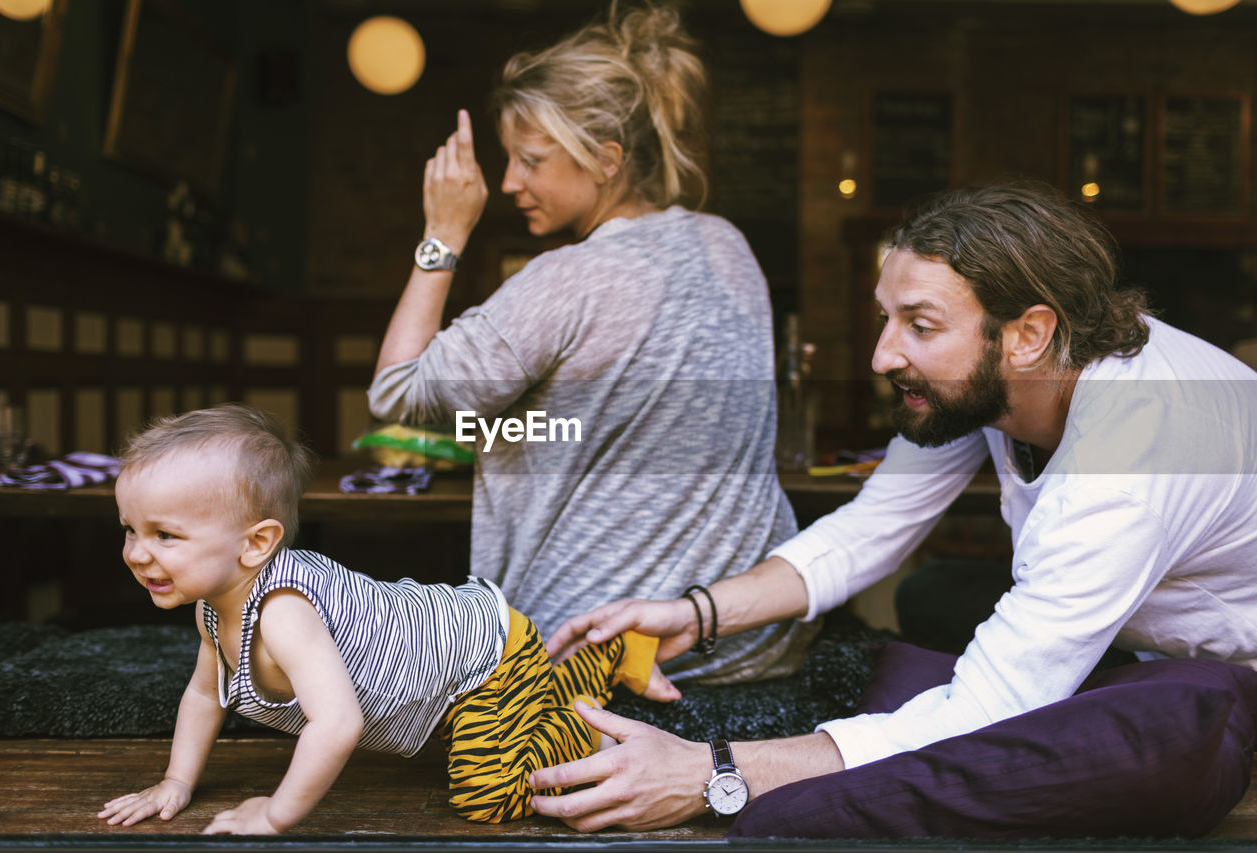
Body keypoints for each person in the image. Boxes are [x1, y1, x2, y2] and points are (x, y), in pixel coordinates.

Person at [531, 181, 1257, 832]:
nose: (882, 354)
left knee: (972, 720)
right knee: (930, 599)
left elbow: (983, 712)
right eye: (886, 318)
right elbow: (873, 526)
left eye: (920, 324)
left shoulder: (1126, 460)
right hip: (1126, 639)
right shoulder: (999, 379)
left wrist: (714, 769)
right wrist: (696, 613)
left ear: (1029, 333)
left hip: (1212, 674)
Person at [367, 2, 819, 685]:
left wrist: (444, 233)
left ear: (606, 159)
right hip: (752, 636)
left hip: (591, 645)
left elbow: (397, 391)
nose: (510, 183)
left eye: (531, 160)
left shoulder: (569, 277)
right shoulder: (730, 246)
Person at [96, 404, 672, 835]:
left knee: (487, 796)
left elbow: (337, 723)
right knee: (499, 729)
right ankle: (610, 655)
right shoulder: (213, 608)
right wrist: (176, 781)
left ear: (256, 545)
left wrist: (275, 816)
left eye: (164, 535)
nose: (137, 553)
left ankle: (591, 710)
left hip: (486, 660)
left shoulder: (282, 611)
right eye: (130, 528)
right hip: (456, 661)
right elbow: (204, 694)